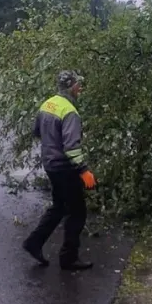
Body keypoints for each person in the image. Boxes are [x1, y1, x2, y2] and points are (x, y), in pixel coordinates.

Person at [23, 70, 97, 271]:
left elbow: (36, 132)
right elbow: (72, 147)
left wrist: (52, 143)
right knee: (77, 213)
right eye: (78, 86)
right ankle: (68, 258)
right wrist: (84, 171)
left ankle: (34, 243)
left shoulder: (48, 104)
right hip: (65, 168)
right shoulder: (69, 111)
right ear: (72, 87)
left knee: (59, 206)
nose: (79, 89)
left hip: (50, 165)